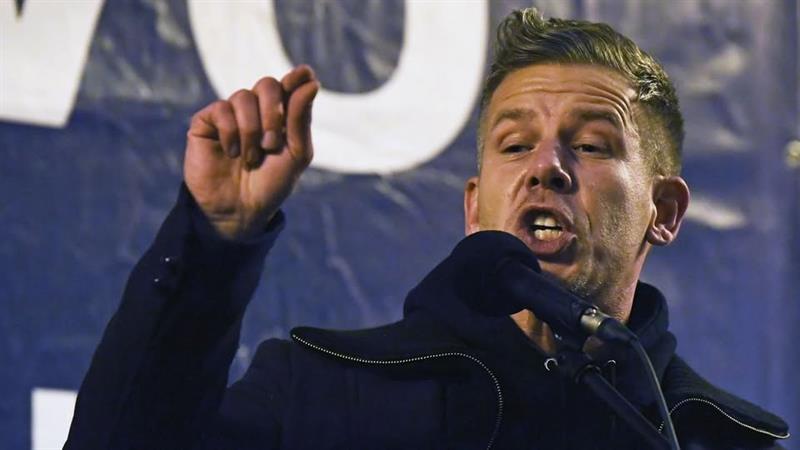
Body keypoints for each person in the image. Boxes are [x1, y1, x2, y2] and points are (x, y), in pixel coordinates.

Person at [65, 8, 789, 450]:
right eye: (515, 144)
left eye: (593, 144)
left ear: (664, 212)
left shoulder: (720, 441)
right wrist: (211, 244)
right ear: (474, 208)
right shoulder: (321, 393)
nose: (547, 167)